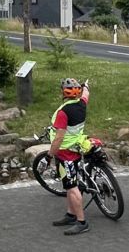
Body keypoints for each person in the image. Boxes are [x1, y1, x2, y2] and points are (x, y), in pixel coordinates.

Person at [49, 78, 92, 236]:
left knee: (72, 188)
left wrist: (49, 154)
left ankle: (81, 222)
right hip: (75, 150)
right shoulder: (82, 103)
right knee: (69, 185)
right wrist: (85, 85)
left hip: (65, 153)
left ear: (63, 93)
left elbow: (58, 139)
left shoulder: (63, 112)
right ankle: (70, 214)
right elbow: (86, 93)